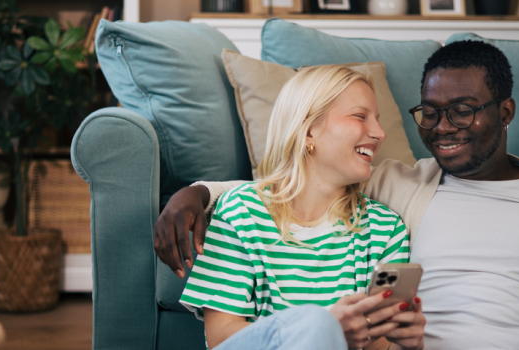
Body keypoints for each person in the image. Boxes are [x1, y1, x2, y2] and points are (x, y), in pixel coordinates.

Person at [155, 41, 519, 350]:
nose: (443, 127)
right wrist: (196, 192)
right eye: (429, 112)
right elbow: (293, 184)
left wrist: (397, 340)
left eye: (463, 110)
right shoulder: (400, 185)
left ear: (506, 111)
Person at [175, 65, 426, 350]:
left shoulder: (385, 229)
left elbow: (382, 342)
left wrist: (410, 345)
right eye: (360, 116)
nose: (380, 133)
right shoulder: (240, 210)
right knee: (317, 322)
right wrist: (325, 329)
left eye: (378, 120)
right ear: (308, 131)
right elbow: (221, 337)